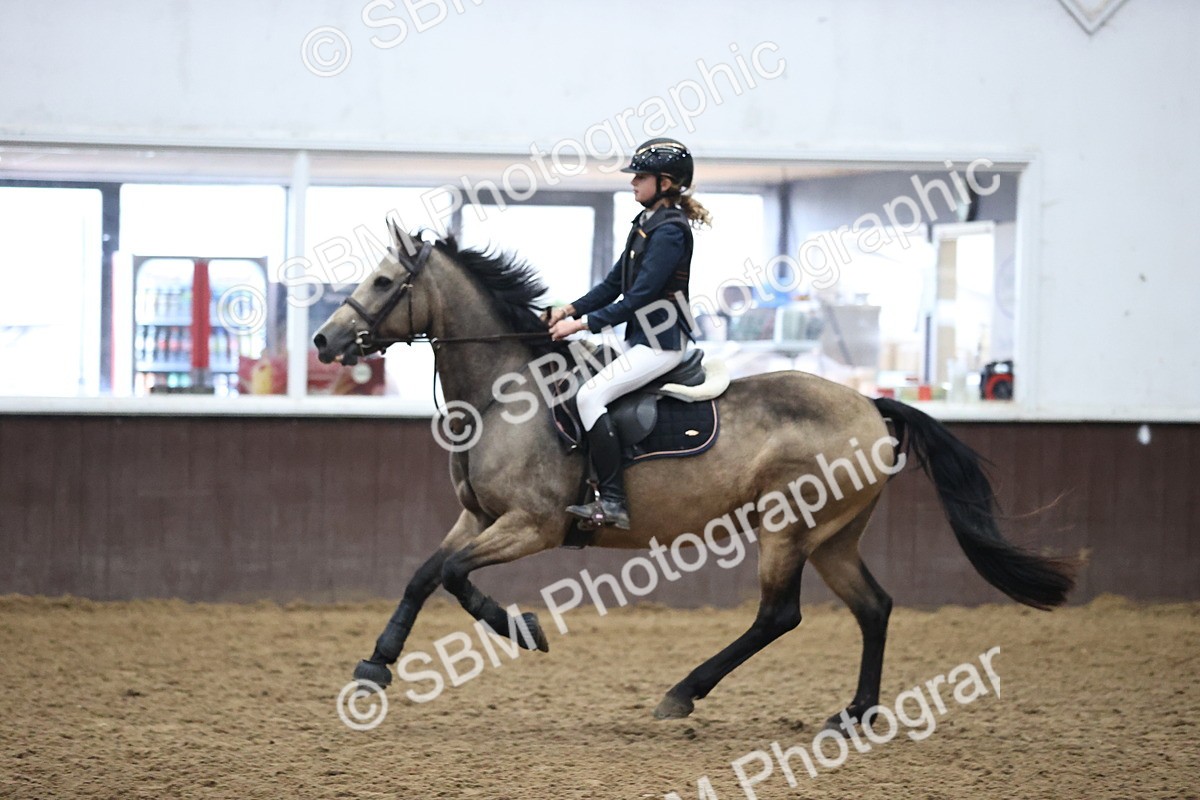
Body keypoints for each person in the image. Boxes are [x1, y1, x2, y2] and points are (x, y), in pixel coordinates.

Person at [548, 137, 712, 529]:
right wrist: (568, 309)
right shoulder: (645, 224)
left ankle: (615, 501)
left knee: (589, 397)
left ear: (666, 183)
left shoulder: (671, 232)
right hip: (639, 339)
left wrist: (584, 324)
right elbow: (612, 284)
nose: (633, 183)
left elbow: (639, 297)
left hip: (661, 343)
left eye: (641, 177)